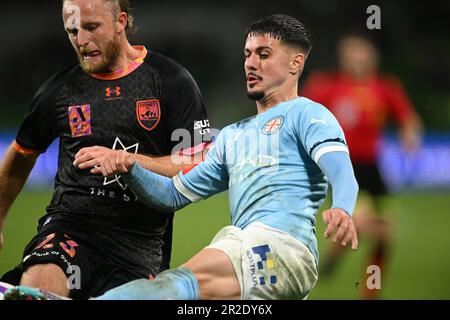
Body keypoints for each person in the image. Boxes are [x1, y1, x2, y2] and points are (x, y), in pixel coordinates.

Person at [5, 14, 359, 301]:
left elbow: (341, 169)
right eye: (247, 54)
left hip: (282, 247)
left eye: (263, 54)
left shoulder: (307, 114)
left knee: (177, 286)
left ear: (296, 62)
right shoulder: (232, 136)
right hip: (250, 253)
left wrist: (342, 206)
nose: (251, 63)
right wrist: (129, 166)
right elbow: (172, 194)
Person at [0, 0, 210, 299]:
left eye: (91, 27)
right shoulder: (59, 91)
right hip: (70, 226)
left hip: (140, 243)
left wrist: (128, 161)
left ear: (121, 21)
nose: (81, 41)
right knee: (42, 279)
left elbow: (199, 160)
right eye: (72, 31)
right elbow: (21, 154)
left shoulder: (171, 80)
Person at [301, 33, 423, 299]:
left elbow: (408, 118)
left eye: (360, 53)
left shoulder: (385, 88)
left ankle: (367, 289)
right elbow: (301, 112)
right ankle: (339, 247)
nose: (356, 59)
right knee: (365, 222)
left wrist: (410, 133)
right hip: (342, 167)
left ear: (371, 57)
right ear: (343, 58)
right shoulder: (328, 86)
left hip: (374, 170)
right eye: (350, 54)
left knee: (383, 236)